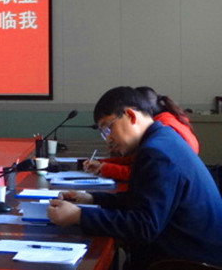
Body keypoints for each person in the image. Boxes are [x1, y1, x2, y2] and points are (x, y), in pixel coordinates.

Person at [48, 86, 222, 269]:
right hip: (189, 253)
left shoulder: (156, 153)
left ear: (130, 115)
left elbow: (144, 227)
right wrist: (91, 198)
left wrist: (79, 216)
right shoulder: (163, 138)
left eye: (108, 128)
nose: (108, 139)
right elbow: (142, 199)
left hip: (190, 262)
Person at [84, 86, 200, 181]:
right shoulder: (164, 126)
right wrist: (103, 163)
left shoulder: (163, 135)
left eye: (109, 127)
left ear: (134, 114)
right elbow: (136, 161)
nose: (108, 138)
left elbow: (144, 174)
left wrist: (106, 168)